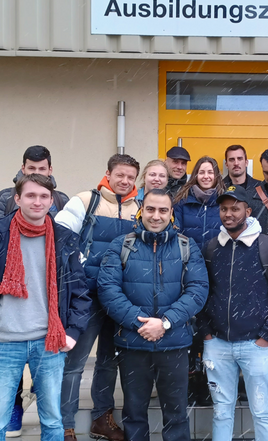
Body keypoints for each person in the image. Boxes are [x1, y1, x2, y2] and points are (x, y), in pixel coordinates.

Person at [0, 173, 92, 441]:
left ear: (52, 200)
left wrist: (73, 332)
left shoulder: (64, 239)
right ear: (17, 198)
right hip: (3, 343)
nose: (37, 202)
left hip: (49, 342)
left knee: (53, 423)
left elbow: (80, 292)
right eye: (30, 195)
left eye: (44, 196)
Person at [97, 189, 209, 441]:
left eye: (162, 210)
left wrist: (165, 323)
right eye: (150, 209)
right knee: (134, 413)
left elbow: (198, 290)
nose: (155, 216)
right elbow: (108, 290)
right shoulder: (122, 245)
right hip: (132, 344)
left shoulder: (186, 246)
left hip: (174, 345)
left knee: (177, 415)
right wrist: (141, 323)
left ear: (171, 214)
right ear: (141, 210)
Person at [55, 154, 141, 441]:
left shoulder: (139, 210)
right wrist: (82, 267)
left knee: (109, 361)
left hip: (118, 299)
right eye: (121, 175)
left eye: (131, 177)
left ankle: (101, 419)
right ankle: (64, 424)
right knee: (75, 362)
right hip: (86, 297)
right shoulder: (84, 201)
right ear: (108, 173)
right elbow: (60, 237)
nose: (125, 181)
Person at [198, 186, 268, 441]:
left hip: (256, 344)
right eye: (224, 208)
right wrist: (206, 332)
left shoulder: (267, 246)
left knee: (262, 411)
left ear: (247, 211)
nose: (229, 214)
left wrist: (267, 335)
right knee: (221, 412)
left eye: (235, 208)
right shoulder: (211, 248)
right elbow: (201, 293)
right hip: (217, 344)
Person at [0, 145, 69, 220]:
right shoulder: (5, 198)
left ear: (50, 170)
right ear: (23, 169)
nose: (36, 173)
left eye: (42, 169)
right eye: (31, 168)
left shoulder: (61, 200)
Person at [173, 156, 226, 248]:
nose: (206, 176)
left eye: (210, 172)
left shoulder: (224, 202)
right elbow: (176, 234)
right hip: (189, 259)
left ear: (216, 175)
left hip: (217, 259)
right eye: (201, 172)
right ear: (196, 175)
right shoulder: (182, 201)